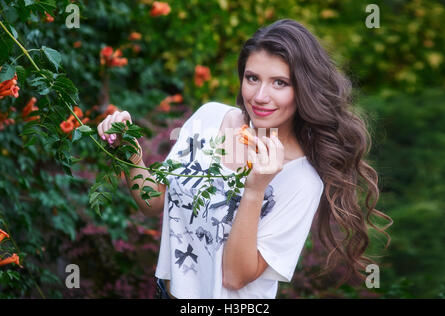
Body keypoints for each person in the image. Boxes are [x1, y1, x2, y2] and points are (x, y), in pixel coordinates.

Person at [97, 19, 392, 299]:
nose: (261, 96)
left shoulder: (301, 178)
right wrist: (129, 149)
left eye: (280, 83)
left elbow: (235, 277)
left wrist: (255, 189)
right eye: (252, 78)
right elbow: (153, 203)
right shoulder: (209, 119)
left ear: (304, 89)